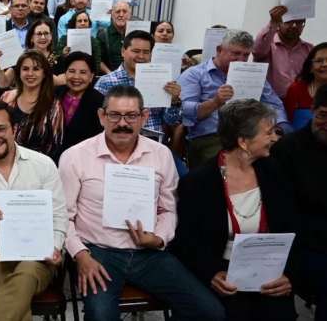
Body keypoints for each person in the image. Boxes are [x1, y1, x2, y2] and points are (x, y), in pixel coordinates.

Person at [59, 85, 225, 321]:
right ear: (101, 116)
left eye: (131, 116)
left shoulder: (161, 154)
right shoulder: (75, 156)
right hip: (98, 252)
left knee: (209, 311)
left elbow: (168, 208)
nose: (122, 123)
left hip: (149, 253)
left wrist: (158, 238)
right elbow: (63, 216)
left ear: (144, 117)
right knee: (101, 315)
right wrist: (81, 256)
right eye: (114, 115)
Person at [174, 100, 297, 321]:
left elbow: (294, 226)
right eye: (268, 132)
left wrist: (289, 275)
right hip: (224, 273)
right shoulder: (199, 183)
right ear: (243, 141)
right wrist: (212, 274)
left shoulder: (275, 172)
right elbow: (186, 241)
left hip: (269, 272)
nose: (274, 138)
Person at [0, 99, 67, 321]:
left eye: (0, 129)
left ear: (14, 129)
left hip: (37, 254)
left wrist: (54, 247)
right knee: (13, 300)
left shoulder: (43, 164)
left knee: (20, 282)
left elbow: (59, 215)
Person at [179, 29, 290, 167]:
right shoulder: (195, 74)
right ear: (219, 50)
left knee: (282, 160)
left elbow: (275, 104)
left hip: (252, 135)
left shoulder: (253, 74)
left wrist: (282, 127)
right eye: (236, 53)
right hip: (212, 137)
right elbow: (184, 112)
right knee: (230, 166)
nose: (241, 59)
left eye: (246, 55)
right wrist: (215, 102)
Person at [272, 85, 327, 321]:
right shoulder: (287, 148)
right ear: (312, 110)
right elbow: (281, 209)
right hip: (304, 241)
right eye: (323, 115)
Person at [94, 30, 182, 134]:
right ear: (123, 51)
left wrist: (174, 101)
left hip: (154, 139)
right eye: (136, 51)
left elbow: (171, 121)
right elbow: (97, 121)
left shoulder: (162, 81)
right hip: (120, 137)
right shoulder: (106, 82)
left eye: (146, 52)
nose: (141, 56)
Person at [0, 50, 64, 157]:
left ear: (44, 74)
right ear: (19, 73)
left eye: (36, 69)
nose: (30, 73)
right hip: (6, 160)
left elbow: (56, 145)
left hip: (39, 163)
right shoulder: (6, 98)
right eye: (25, 69)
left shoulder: (53, 106)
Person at [53, 51, 104, 163]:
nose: (76, 77)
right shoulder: (53, 94)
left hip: (83, 161)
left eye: (83, 72)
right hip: (51, 160)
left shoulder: (100, 102)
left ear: (91, 76)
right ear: (65, 73)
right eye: (71, 71)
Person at [253, 5, 313, 98]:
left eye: (299, 22)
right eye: (289, 22)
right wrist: (273, 22)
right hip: (270, 102)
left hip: (299, 101)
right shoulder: (267, 45)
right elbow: (257, 52)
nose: (294, 26)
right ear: (279, 24)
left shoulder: (309, 49)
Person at [0, 17, 61, 90]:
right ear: (31, 38)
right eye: (39, 34)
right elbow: (3, 83)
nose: (43, 37)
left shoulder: (59, 58)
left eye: (46, 33)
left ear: (51, 37)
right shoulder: (22, 57)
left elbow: (63, 81)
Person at [284, 42, 327, 129]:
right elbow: (287, 122)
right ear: (310, 67)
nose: (325, 64)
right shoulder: (295, 90)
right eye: (319, 61)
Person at [55, 9, 103, 74]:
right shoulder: (64, 39)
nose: (83, 23)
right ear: (74, 23)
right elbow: (56, 60)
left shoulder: (94, 41)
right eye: (79, 21)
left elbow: (97, 63)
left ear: (89, 23)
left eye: (85, 21)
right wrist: (63, 54)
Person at [96, 1, 132, 74]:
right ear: (112, 15)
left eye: (124, 12)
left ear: (129, 15)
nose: (121, 15)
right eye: (117, 12)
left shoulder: (134, 34)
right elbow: (98, 60)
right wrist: (110, 74)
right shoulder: (103, 35)